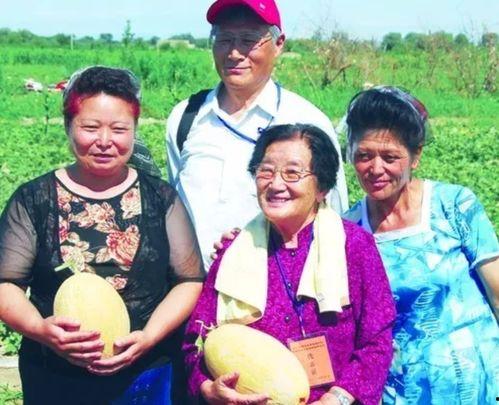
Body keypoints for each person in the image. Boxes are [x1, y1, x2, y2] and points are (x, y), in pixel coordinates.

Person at [0, 66, 205, 404]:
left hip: (146, 374)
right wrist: (41, 330)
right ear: (68, 127)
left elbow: (189, 279)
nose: (105, 141)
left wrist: (149, 336)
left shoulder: (161, 198)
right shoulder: (34, 199)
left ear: (134, 131)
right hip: (56, 378)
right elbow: (6, 283)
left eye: (119, 129)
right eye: (90, 127)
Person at [182, 123, 395, 405]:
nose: (276, 184)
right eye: (266, 171)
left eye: (292, 173)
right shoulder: (233, 251)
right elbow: (195, 340)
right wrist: (208, 388)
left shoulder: (355, 247)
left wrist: (337, 398)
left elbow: (377, 341)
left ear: (322, 187)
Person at [342, 86, 499, 404]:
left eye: (390, 157)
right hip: (400, 393)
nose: (376, 169)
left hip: (477, 386)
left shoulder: (453, 205)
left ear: (416, 156)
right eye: (364, 156)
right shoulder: (349, 231)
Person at [166, 0, 349, 268]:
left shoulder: (307, 121)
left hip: (278, 287)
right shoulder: (186, 118)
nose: (234, 53)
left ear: (279, 44)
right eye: (224, 39)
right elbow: (174, 207)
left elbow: (334, 216)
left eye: (248, 40)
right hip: (195, 286)